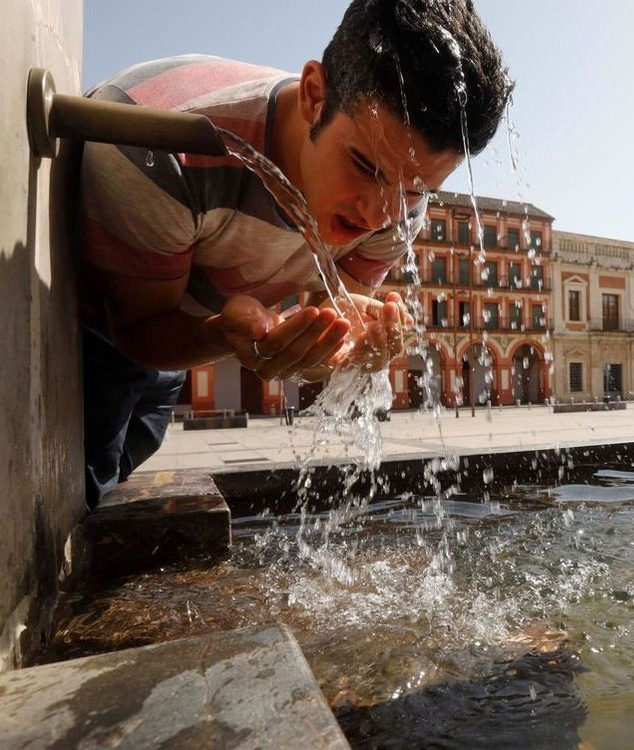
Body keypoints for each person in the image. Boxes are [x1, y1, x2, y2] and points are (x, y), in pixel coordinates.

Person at [78, 0, 512, 508]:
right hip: (87, 331)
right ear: (313, 95)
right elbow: (137, 332)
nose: (379, 214)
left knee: (131, 453)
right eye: (365, 167)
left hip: (177, 330)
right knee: (81, 487)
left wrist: (342, 347)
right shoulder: (158, 148)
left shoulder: (398, 208)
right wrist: (222, 334)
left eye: (416, 189)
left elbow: (333, 319)